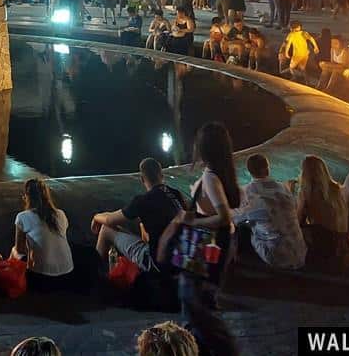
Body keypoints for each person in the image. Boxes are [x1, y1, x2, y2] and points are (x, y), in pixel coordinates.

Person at [159, 122, 240, 356]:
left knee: (197, 310)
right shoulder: (221, 174)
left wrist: (192, 222)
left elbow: (224, 217)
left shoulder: (210, 177)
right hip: (214, 250)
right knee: (198, 308)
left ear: (204, 147)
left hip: (202, 251)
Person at [92, 157, 186, 273]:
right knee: (141, 226)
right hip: (180, 258)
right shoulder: (176, 194)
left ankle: (95, 276)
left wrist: (96, 216)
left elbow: (109, 220)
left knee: (106, 229)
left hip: (156, 262)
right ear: (162, 175)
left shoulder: (142, 201)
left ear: (142, 179)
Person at [231, 153, 306, 269]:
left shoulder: (247, 192)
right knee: (259, 221)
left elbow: (235, 219)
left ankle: (239, 269)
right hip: (300, 252)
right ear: (268, 168)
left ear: (249, 171)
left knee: (244, 227)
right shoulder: (284, 188)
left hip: (277, 257)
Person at [11, 177, 73, 290]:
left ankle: (11, 279)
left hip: (41, 279)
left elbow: (20, 250)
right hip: (67, 274)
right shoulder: (60, 214)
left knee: (14, 250)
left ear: (27, 197)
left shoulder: (22, 217)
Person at [295, 155, 349, 261]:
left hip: (324, 243)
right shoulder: (336, 188)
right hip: (341, 240)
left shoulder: (307, 192)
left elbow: (298, 221)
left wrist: (289, 191)